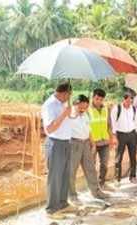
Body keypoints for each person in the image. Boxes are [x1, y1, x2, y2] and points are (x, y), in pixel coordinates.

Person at [41, 83, 74, 217]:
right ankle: (52, 209)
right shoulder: (49, 105)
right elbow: (49, 129)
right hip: (55, 144)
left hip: (66, 143)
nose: (69, 97)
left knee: (65, 175)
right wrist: (64, 114)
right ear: (63, 93)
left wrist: (68, 113)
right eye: (69, 95)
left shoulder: (62, 104)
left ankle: (62, 204)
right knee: (55, 176)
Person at [68, 95, 109, 203]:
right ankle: (72, 195)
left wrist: (93, 143)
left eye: (85, 107)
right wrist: (74, 114)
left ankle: (96, 192)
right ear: (75, 104)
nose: (83, 110)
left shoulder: (86, 114)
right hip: (74, 144)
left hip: (86, 143)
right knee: (71, 170)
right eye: (81, 107)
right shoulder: (68, 115)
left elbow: (89, 129)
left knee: (90, 168)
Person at [111, 93, 137, 184]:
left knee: (133, 157)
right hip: (120, 135)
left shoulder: (134, 109)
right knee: (118, 157)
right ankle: (117, 179)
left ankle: (133, 176)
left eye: (131, 101)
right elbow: (113, 123)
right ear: (123, 99)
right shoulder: (117, 109)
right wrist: (114, 136)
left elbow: (136, 122)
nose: (129, 102)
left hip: (132, 134)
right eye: (127, 100)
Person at [89, 89, 113, 188]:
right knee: (91, 165)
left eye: (101, 99)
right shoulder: (88, 110)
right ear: (93, 97)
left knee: (104, 164)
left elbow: (109, 125)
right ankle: (93, 184)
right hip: (92, 143)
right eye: (97, 99)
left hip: (105, 142)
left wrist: (111, 139)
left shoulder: (106, 109)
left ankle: (101, 182)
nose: (98, 101)